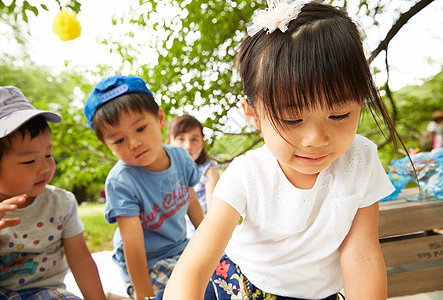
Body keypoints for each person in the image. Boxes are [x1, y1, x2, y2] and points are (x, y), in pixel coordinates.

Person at [160, 1, 405, 300]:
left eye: (339, 115)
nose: (315, 139)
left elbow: (361, 254)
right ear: (254, 115)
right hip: (241, 287)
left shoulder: (361, 159)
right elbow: (194, 269)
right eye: (292, 119)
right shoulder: (247, 174)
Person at [83, 75, 204, 299]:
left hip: (179, 246)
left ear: (160, 119)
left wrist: (208, 241)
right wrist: (143, 294)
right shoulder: (121, 181)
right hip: (147, 262)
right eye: (119, 140)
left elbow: (191, 199)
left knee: (222, 275)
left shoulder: (180, 157)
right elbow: (133, 244)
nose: (133, 143)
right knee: (184, 293)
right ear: (107, 145)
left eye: (140, 129)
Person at [0, 86, 106, 300]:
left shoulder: (61, 203)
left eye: (48, 154)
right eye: (29, 161)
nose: (45, 168)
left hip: (49, 294)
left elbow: (81, 260)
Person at [166, 114, 220, 238]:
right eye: (181, 139)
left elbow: (214, 212)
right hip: (173, 238)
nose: (188, 146)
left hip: (203, 234)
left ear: (202, 142)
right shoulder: (164, 173)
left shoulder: (208, 170)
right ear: (169, 141)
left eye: (194, 139)